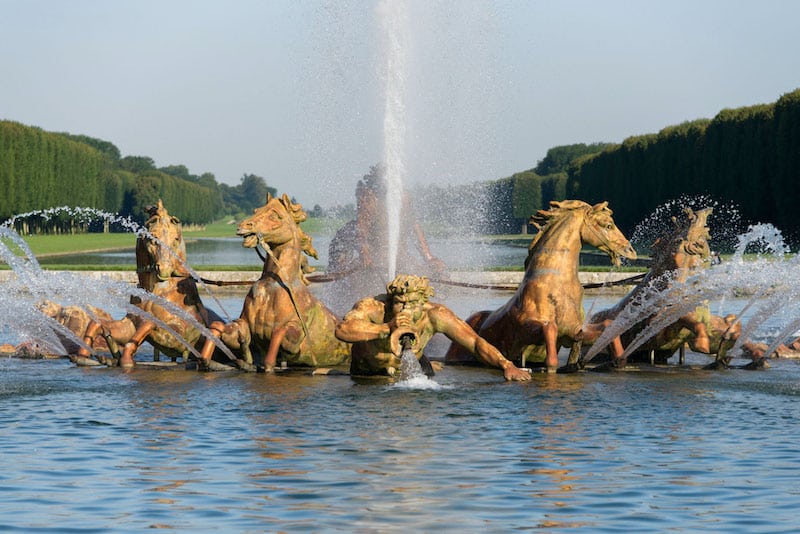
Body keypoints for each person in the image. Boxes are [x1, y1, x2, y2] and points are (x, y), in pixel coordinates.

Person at [335, 274, 531, 381]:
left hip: (411, 373)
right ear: (390, 300)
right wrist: (386, 328)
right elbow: (342, 329)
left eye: (412, 304)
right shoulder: (374, 307)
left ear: (423, 303)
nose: (405, 309)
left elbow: (475, 342)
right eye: (399, 303)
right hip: (368, 374)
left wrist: (507, 365)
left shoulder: (435, 314)